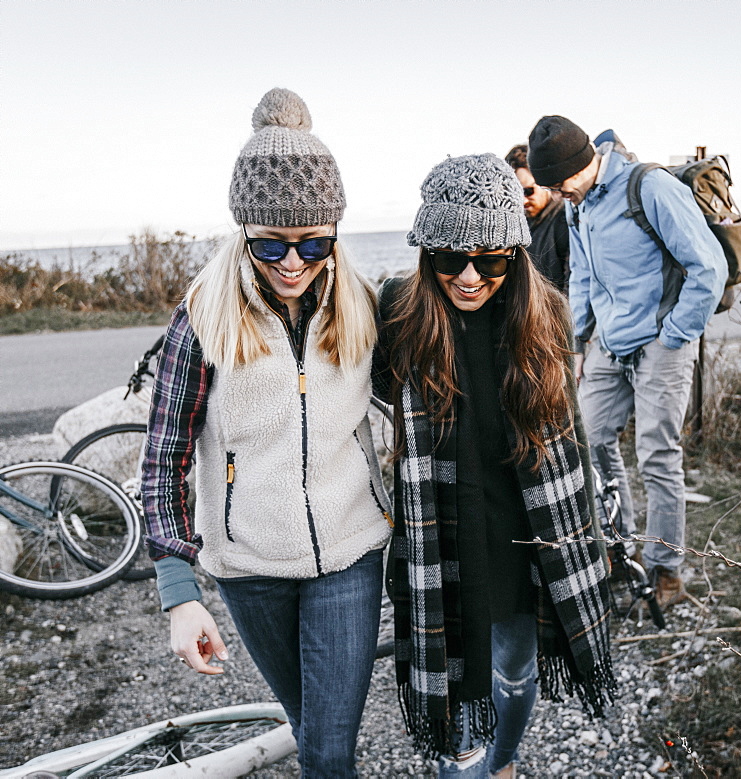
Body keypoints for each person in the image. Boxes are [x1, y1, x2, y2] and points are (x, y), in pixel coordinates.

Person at [140, 88, 391, 778]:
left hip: (350, 554)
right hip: (248, 566)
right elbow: (163, 457)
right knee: (310, 725)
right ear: (241, 231)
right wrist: (180, 591)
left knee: (330, 744)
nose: (292, 262)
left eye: (314, 243)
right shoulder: (201, 320)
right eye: (270, 244)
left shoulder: (363, 307)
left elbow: (429, 394)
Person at [374, 153, 615, 778]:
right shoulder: (400, 313)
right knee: (455, 703)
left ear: (516, 253)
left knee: (515, 673)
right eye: (451, 258)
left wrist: (587, 535)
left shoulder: (546, 316)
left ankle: (503, 762)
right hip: (442, 537)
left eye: (491, 259)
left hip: (527, 536)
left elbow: (571, 441)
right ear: (427, 254)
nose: (471, 276)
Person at [527, 115, 727, 609]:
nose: (557, 194)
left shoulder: (650, 187)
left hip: (663, 343)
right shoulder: (578, 205)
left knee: (657, 456)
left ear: (583, 163)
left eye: (560, 184)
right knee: (590, 441)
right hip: (608, 346)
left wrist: (677, 334)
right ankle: (619, 551)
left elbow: (710, 266)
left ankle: (666, 575)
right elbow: (584, 280)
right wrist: (576, 343)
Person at [503, 143, 570, 293]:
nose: (523, 200)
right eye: (514, 194)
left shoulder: (566, 221)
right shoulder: (513, 227)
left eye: (528, 191)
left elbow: (575, 286)